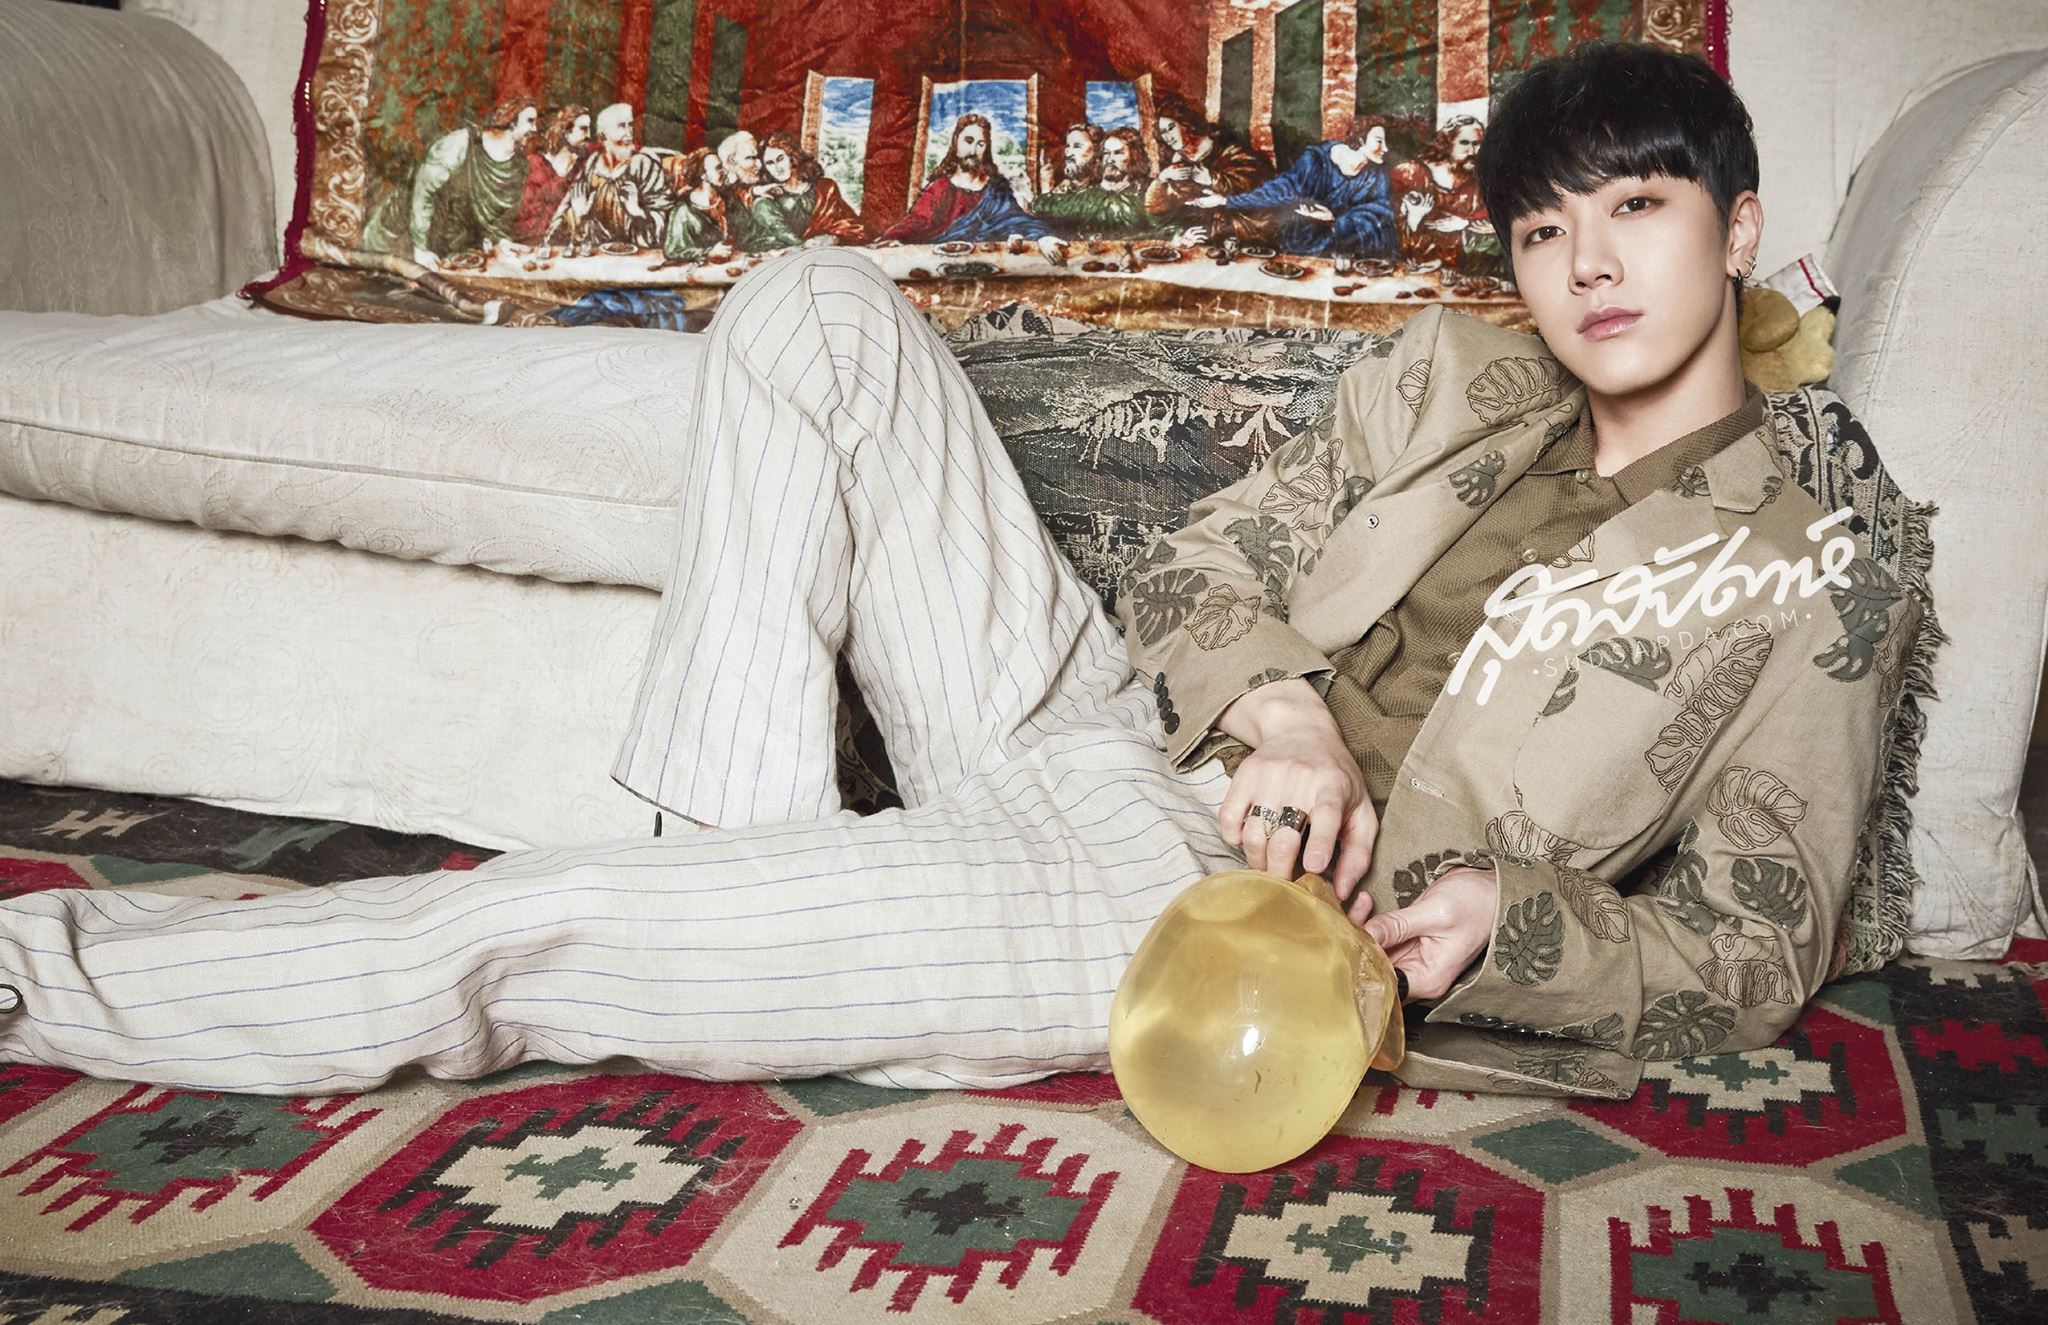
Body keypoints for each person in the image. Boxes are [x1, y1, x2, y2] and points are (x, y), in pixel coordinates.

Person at [0, 41, 1911, 1103]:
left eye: (1638, 208)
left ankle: (34, 979)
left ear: (1737, 227)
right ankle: (740, 891)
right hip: (1101, 726)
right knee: (813, 306)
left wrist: (1513, 918)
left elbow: (1749, 941)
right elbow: (1205, 565)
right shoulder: (1452, 382)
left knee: (537, 929)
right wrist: (1276, 707)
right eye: (1546, 229)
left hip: (1212, 910)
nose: (1588, 266)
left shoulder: (1812, 561)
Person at [1184, 114, 1397, 257]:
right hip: (1302, 242)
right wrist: (1227, 200)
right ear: (1360, 139)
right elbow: (1278, 190)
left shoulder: (1377, 176)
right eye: (1379, 141)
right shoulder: (1316, 160)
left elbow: (1382, 216)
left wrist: (1334, 220)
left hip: (1344, 247)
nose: (1386, 148)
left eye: (1387, 142)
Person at [363, 98, 538, 268]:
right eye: (530, 121)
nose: (535, 129)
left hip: (448, 244)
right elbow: (424, 191)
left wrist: (501, 241)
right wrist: (420, 248)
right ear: (511, 121)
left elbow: (496, 218)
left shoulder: (518, 166)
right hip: (402, 236)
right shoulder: (461, 142)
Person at [876, 113, 1067, 265]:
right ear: (955, 143)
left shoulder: (997, 188)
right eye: (968, 141)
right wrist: (893, 237)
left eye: (981, 144)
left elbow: (1018, 220)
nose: (974, 150)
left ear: (987, 149)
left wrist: (1043, 237)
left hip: (989, 265)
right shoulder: (940, 187)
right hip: (943, 264)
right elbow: (917, 221)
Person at [545, 103, 672, 250]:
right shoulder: (592, 164)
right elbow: (563, 216)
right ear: (603, 135)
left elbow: (661, 223)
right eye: (621, 126)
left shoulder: (643, 165)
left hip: (636, 255)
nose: (629, 133)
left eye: (630, 125)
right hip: (595, 254)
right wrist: (579, 214)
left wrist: (637, 212)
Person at [1391, 114, 1495, 274]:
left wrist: (1465, 225)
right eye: (1464, 143)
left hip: (1461, 273)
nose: (1472, 151)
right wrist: (1413, 220)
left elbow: (1492, 230)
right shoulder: (1413, 175)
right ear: (1447, 143)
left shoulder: (1480, 182)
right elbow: (1390, 234)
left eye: (1477, 144)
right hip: (1416, 270)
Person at [1032, 127, 1167, 241]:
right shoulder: (1090, 195)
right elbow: (1047, 207)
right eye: (1106, 153)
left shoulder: (1148, 189)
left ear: (1134, 156)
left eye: (1118, 153)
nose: (1110, 160)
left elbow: (1166, 227)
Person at [747, 132, 869, 251]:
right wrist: (803, 246)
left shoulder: (825, 188)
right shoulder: (769, 198)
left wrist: (834, 238)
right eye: (770, 163)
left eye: (780, 159)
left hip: (829, 253)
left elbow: (854, 227)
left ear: (792, 157)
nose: (777, 168)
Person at [512, 104, 591, 245]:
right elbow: (524, 213)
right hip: (532, 240)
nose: (589, 135)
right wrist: (559, 177)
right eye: (584, 129)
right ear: (565, 131)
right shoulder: (534, 163)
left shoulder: (580, 162)